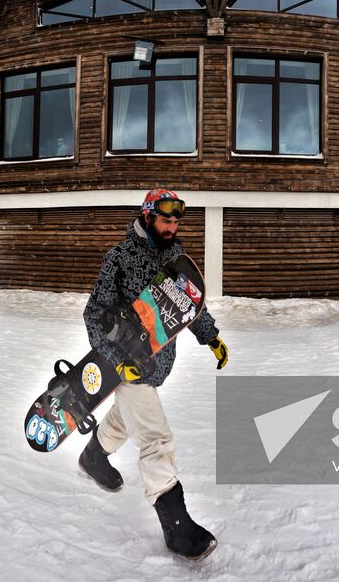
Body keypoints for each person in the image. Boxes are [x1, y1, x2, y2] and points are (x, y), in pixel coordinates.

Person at [78, 188, 227, 560]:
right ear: (147, 216)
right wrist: (114, 356)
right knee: (156, 438)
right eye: (165, 219)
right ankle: (176, 526)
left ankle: (93, 457)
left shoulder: (175, 255)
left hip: (158, 364)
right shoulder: (119, 258)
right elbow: (94, 314)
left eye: (176, 220)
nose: (172, 225)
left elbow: (187, 303)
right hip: (125, 363)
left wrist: (211, 336)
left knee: (126, 418)